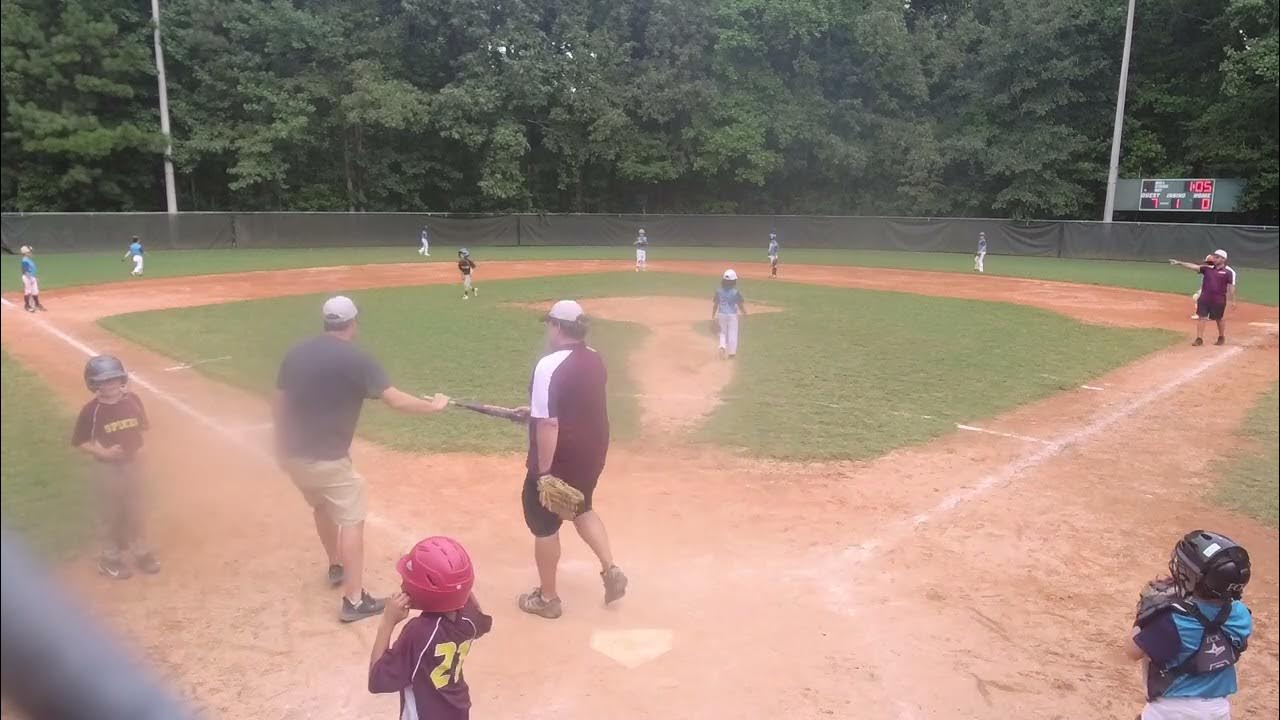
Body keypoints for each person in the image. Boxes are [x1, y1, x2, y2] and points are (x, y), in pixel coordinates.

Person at [273, 296, 451, 622]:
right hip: (328, 459)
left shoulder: (296, 352)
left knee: (321, 505)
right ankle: (353, 600)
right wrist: (433, 406)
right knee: (352, 517)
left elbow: (279, 400)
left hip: (293, 456)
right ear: (352, 323)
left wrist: (279, 446)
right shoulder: (358, 360)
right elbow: (395, 400)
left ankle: (335, 564)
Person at [517, 300, 627, 619]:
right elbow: (573, 404)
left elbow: (550, 423)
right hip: (592, 453)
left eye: (549, 324)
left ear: (557, 327)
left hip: (559, 456)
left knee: (544, 523)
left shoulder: (548, 365)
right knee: (581, 506)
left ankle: (548, 599)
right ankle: (610, 569)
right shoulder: (595, 359)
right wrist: (534, 414)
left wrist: (544, 473)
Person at [1127, 530, 1252, 720]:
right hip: (1218, 710)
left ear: (1195, 578)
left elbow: (1132, 652)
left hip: (1171, 711)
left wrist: (1146, 612)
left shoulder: (1172, 620)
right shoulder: (1241, 614)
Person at [368, 536, 493, 719]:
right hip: (458, 712)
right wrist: (457, 586)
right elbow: (478, 615)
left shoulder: (418, 632)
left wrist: (387, 622)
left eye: (408, 581)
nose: (403, 585)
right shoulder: (470, 619)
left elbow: (377, 680)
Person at [71, 356, 160, 579]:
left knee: (136, 510)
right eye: (102, 381)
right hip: (107, 469)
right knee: (110, 514)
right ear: (93, 384)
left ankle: (141, 551)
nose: (109, 385)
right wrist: (103, 453)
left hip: (134, 465)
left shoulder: (133, 401)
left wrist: (143, 449)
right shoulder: (92, 410)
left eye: (113, 379)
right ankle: (109, 559)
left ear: (122, 379)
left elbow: (142, 429)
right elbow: (80, 441)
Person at [1169, 251, 1236, 346]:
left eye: (1217, 257)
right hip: (1205, 297)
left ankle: (1221, 337)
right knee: (1202, 317)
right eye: (1214, 257)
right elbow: (1193, 267)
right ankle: (1199, 338)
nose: (1214, 259)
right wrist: (1180, 263)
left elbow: (1231, 287)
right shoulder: (1207, 269)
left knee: (1219, 318)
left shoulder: (1228, 272)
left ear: (1223, 259)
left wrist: (1232, 300)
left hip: (1219, 299)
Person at [711, 269, 747, 359]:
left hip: (721, 314)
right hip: (732, 315)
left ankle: (722, 346)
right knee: (732, 333)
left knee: (722, 333)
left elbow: (715, 304)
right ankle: (731, 353)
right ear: (733, 281)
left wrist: (713, 315)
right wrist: (745, 313)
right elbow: (740, 304)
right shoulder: (735, 292)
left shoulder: (719, 291)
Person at [19, 245, 46, 312]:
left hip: (31, 277)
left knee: (35, 291)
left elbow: (31, 270)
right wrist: (31, 278)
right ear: (26, 253)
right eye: (30, 252)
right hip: (27, 278)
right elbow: (25, 271)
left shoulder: (28, 260)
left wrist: (34, 277)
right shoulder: (24, 260)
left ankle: (37, 304)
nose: (31, 253)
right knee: (28, 291)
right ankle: (27, 306)